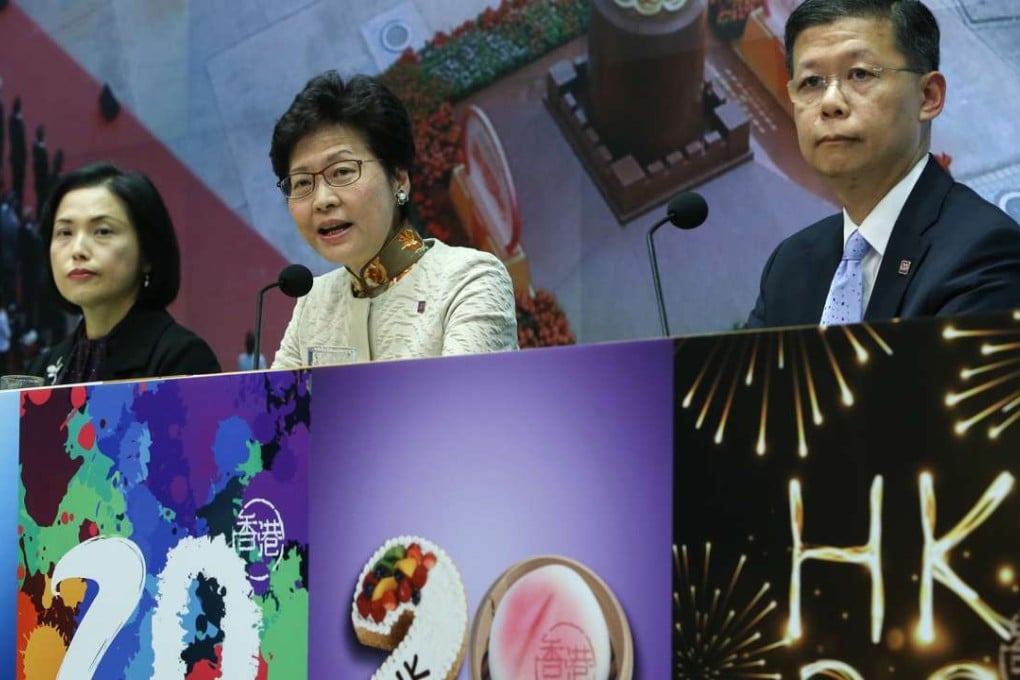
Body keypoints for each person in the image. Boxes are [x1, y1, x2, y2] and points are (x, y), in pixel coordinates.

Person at [746, 0, 1020, 329]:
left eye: (860, 74)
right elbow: (740, 381)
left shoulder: (984, 252)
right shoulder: (789, 264)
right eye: (812, 82)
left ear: (929, 96)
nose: (830, 102)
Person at [268, 71, 517, 367]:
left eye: (342, 172)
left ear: (399, 179)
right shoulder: (313, 302)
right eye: (302, 184)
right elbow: (275, 412)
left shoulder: (469, 280)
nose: (322, 200)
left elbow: (461, 410)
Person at [27, 162, 220, 384]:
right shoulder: (40, 369)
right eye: (65, 232)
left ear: (148, 253)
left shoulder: (182, 359)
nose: (77, 250)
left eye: (102, 231)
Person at [8, 97, 25, 211]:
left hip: (19, 158)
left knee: (19, 184)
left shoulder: (17, 119)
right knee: (17, 183)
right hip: (17, 158)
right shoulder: (14, 120)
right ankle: (16, 206)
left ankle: (17, 204)